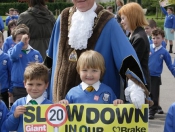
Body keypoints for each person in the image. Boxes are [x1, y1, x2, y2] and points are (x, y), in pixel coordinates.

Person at [45, 0, 153, 109]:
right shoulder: (62, 18)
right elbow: (50, 57)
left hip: (100, 108)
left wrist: (135, 86)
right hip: (60, 105)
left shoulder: (108, 22)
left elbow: (126, 57)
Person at [59, 50, 123, 105]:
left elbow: (116, 114)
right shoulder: (72, 93)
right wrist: (63, 104)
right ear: (78, 71)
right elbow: (65, 114)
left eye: (94, 71)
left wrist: (118, 103)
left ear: (101, 71)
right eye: (84, 70)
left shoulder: (108, 91)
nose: (89, 75)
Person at [3, 63, 52, 132]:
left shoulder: (51, 106)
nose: (34, 88)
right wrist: (15, 116)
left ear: (46, 85)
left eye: (39, 84)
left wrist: (64, 106)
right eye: (30, 84)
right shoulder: (18, 104)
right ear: (25, 84)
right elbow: (8, 127)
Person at [118, 2, 151, 92]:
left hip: (138, 86)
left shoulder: (139, 38)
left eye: (123, 18)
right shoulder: (134, 34)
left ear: (132, 17)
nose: (121, 22)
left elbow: (131, 64)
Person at [8, 24, 43, 102]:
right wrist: (21, 43)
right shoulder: (12, 51)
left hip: (33, 86)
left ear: (29, 38)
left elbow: (41, 70)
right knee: (20, 107)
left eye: (25, 39)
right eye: (19, 40)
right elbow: (14, 56)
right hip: (18, 87)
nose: (23, 42)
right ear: (14, 41)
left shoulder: (35, 53)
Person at [148, 28, 175, 119]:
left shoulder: (164, 52)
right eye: (154, 38)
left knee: (154, 95)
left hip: (156, 76)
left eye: (158, 38)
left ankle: (152, 111)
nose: (155, 40)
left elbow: (170, 66)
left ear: (163, 39)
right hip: (146, 75)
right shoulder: (148, 48)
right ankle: (146, 109)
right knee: (146, 93)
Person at [0, 31, 12, 108]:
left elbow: (10, 74)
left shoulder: (6, 57)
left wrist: (10, 89)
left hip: (3, 92)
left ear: (3, 42)